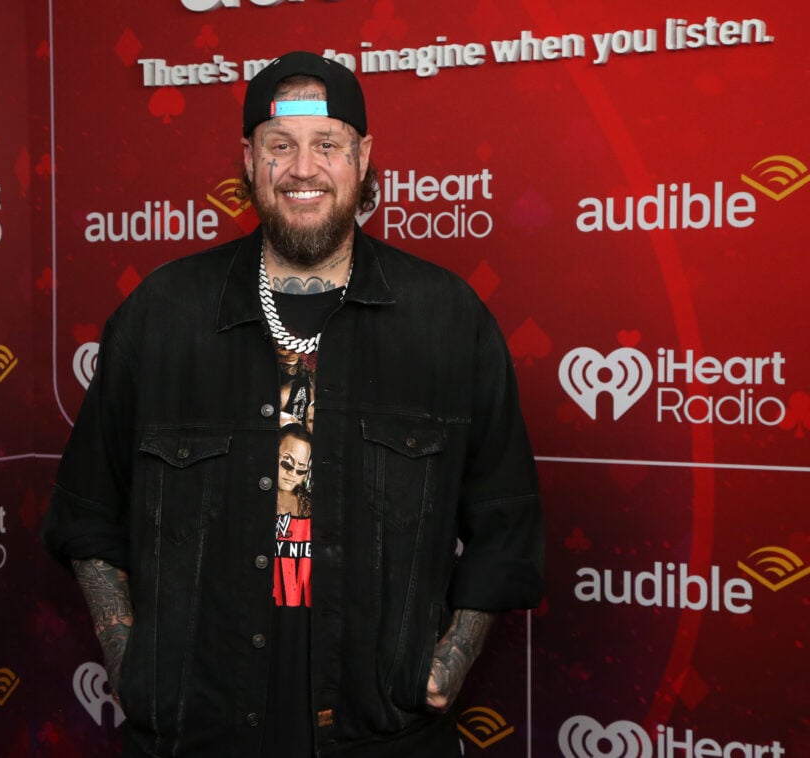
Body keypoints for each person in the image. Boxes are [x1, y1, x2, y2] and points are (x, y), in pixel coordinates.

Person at [43, 50, 543, 757]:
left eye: (327, 144)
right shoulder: (161, 315)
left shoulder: (447, 320)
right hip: (196, 729)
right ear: (249, 160)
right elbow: (86, 514)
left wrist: (445, 666)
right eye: (280, 145)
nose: (302, 168)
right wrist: (128, 658)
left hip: (381, 732)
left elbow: (506, 523)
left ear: (363, 157)